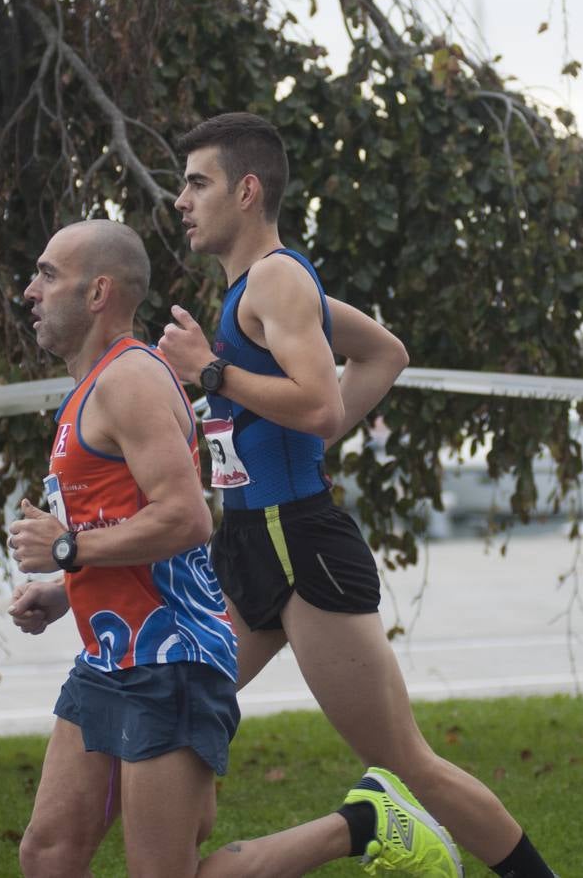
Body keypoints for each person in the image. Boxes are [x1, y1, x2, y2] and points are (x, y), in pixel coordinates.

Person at [157, 112, 558, 878]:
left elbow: (319, 404)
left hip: (299, 548)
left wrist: (211, 373)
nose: (181, 199)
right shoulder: (259, 288)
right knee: (182, 708)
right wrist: (294, 443)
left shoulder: (274, 279)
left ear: (246, 191)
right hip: (249, 544)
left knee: (407, 760)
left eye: (196, 182)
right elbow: (383, 354)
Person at [8, 219, 460, 877]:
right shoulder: (90, 388)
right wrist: (64, 589)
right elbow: (137, 529)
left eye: (47, 275)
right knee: (48, 853)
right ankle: (362, 822)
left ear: (98, 291)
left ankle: (361, 824)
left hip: (171, 665)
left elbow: (187, 518)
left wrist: (69, 550)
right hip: (110, 657)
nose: (30, 290)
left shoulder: (129, 380)